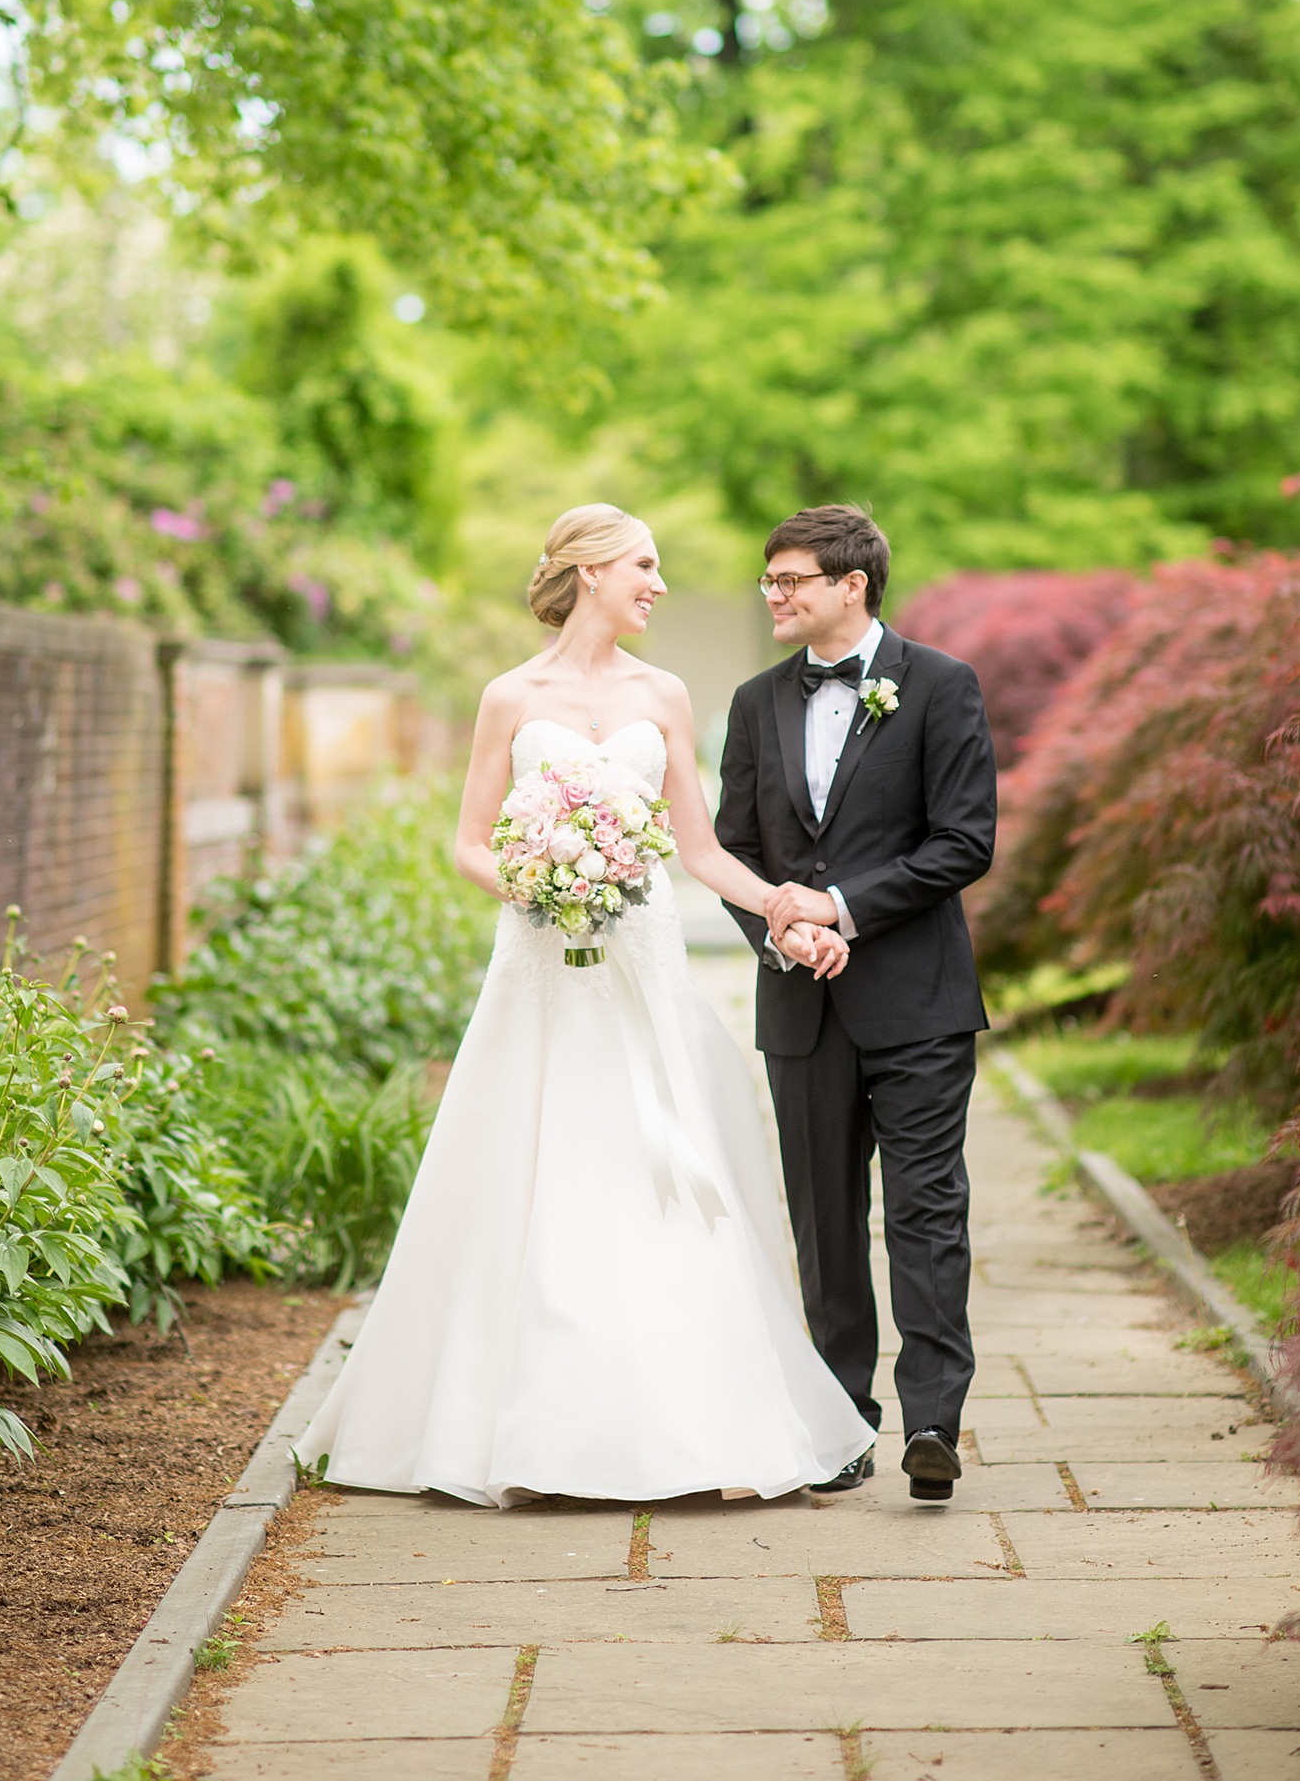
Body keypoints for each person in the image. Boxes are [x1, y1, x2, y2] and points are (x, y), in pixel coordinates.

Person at [295, 503, 876, 1506]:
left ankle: (683, 1427)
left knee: (658, 1173)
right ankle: (517, 1426)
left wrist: (783, 906)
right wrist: (534, 884)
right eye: (643, 566)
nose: (657, 583)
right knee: (536, 1170)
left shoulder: (666, 692)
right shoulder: (508, 696)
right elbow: (469, 842)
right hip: (540, 970)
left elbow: (695, 852)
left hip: (640, 968)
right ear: (590, 570)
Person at [714, 505, 998, 1500]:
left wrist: (838, 908)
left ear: (852, 584)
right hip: (800, 1009)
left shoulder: (940, 686)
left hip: (917, 1002)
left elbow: (963, 842)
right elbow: (732, 850)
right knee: (823, 1221)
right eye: (768, 580)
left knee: (926, 1213)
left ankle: (932, 1423)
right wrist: (783, 932)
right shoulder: (753, 703)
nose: (774, 594)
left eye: (790, 578)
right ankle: (839, 1423)